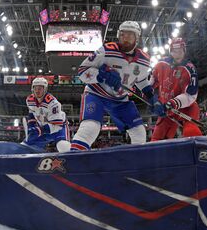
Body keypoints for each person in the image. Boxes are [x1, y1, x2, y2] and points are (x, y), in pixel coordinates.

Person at [70, 21, 164, 151]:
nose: (125, 39)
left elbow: (141, 80)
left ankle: (136, 164)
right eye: (123, 35)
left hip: (120, 99)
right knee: (90, 128)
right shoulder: (105, 50)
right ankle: (73, 161)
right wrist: (101, 75)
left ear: (137, 38)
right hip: (96, 94)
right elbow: (82, 71)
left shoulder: (144, 60)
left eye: (130, 36)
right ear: (118, 35)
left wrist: (151, 96)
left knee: (139, 132)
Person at [151, 37, 202, 141]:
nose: (178, 53)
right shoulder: (160, 64)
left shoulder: (190, 69)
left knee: (191, 133)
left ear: (184, 50)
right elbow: (151, 84)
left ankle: (196, 154)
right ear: (171, 51)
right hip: (166, 109)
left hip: (186, 108)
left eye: (180, 50)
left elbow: (191, 95)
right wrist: (153, 99)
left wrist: (174, 103)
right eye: (175, 51)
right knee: (156, 141)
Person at [23, 77, 71, 152]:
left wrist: (38, 130)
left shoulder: (53, 103)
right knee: (25, 145)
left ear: (45, 89)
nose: (37, 91)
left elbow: (56, 125)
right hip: (43, 128)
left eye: (40, 88)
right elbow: (32, 114)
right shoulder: (29, 100)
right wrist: (31, 126)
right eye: (35, 88)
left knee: (63, 147)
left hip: (59, 129)